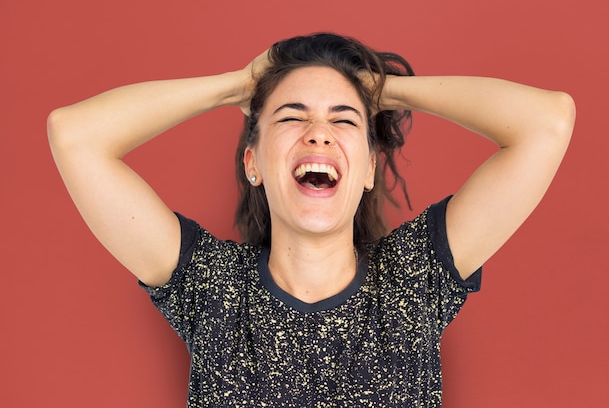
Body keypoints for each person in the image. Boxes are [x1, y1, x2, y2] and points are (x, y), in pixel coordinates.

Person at [48, 33, 575, 407]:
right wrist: (238, 85)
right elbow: (75, 135)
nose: (319, 133)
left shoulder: (414, 281)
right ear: (252, 162)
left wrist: (382, 90)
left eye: (343, 120)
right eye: (292, 115)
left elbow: (547, 123)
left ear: (369, 166)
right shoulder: (213, 289)